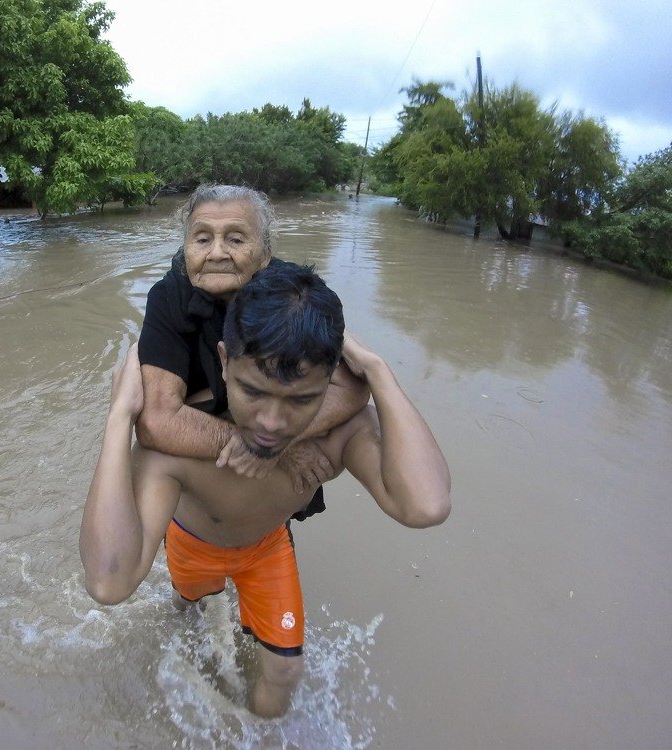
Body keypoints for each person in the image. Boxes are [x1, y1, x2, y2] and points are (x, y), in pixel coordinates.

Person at [80, 263, 451, 717]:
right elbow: (108, 582)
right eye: (252, 391)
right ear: (223, 362)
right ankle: (185, 605)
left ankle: (253, 735)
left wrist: (377, 370)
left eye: (301, 399)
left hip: (266, 548)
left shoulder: (336, 432)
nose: (271, 424)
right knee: (185, 608)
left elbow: (426, 505)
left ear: (330, 381)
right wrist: (120, 416)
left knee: (284, 674)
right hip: (192, 545)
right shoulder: (181, 446)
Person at [136, 184, 370, 516]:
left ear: (265, 253)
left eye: (235, 239)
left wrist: (277, 441)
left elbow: (351, 387)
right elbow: (157, 420)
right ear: (186, 248)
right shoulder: (168, 297)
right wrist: (258, 445)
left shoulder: (297, 294)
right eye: (202, 239)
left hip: (262, 433)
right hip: (207, 460)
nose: (217, 253)